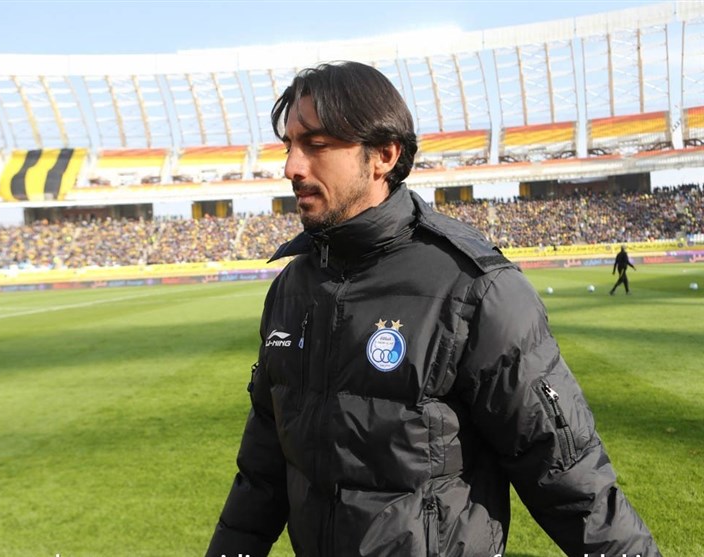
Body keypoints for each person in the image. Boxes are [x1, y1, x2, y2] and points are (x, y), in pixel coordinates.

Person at [205, 61, 660, 557]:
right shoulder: (292, 288)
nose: (292, 167)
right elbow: (263, 471)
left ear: (383, 155)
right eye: (289, 145)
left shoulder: (472, 286)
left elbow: (569, 479)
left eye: (315, 144)